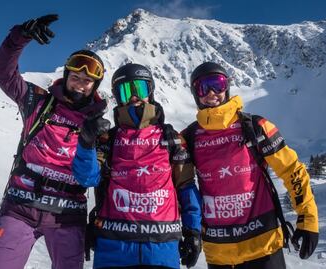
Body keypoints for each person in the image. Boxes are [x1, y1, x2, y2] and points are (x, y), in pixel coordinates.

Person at [0, 14, 110, 269]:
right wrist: (20, 37)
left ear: (95, 86)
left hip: (67, 216)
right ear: (67, 75)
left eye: (87, 81)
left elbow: (90, 179)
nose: (80, 84)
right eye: (76, 76)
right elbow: (2, 72)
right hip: (20, 207)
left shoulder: (99, 128)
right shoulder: (38, 102)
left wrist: (86, 142)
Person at [182, 62, 319, 269]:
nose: (212, 93)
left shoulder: (255, 127)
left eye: (217, 84)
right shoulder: (190, 137)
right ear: (195, 93)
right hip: (219, 252)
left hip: (263, 246)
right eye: (203, 86)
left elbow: (292, 170)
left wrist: (307, 219)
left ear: (227, 88)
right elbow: (179, 185)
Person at [73, 63, 202, 268]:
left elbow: (186, 187)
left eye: (139, 89)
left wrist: (193, 232)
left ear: (150, 92)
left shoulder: (172, 140)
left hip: (162, 247)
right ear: (118, 97)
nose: (134, 97)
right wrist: (87, 142)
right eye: (126, 91)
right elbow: (87, 178)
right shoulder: (109, 139)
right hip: (113, 247)